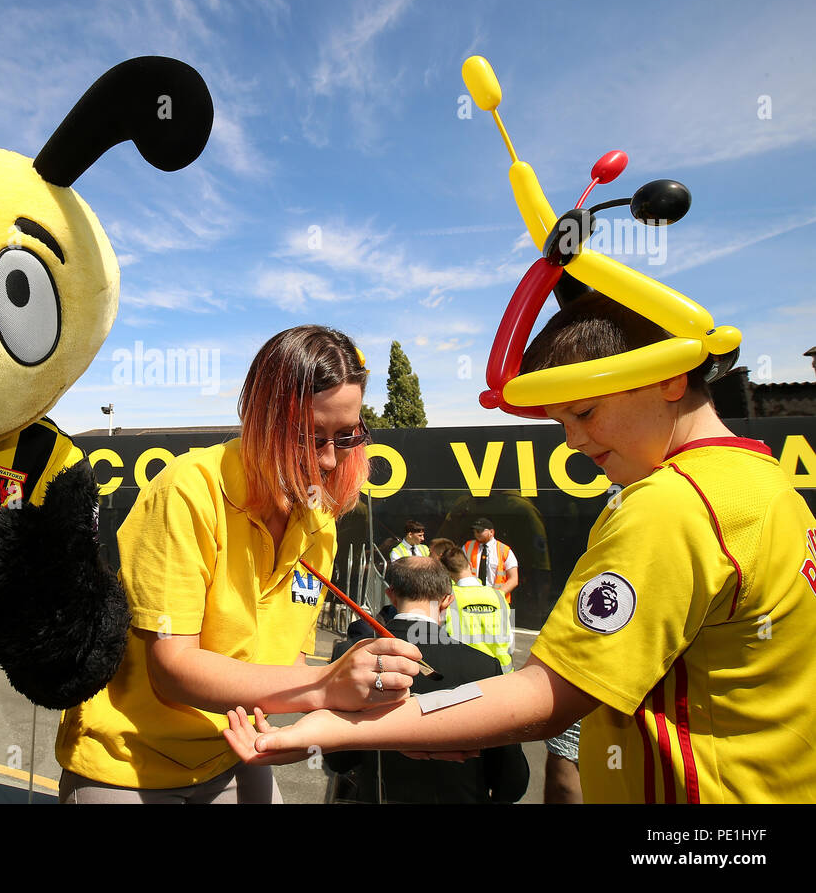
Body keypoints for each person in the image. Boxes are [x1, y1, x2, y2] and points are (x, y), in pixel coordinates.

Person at [223, 293, 816, 803]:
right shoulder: (761, 484)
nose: (575, 440)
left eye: (584, 411)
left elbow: (547, 696)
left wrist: (336, 729)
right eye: (561, 420)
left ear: (670, 376)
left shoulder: (672, 503)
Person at [55, 325, 423, 803]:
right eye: (312, 436)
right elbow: (173, 668)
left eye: (346, 435)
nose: (331, 461)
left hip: (233, 752)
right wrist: (327, 686)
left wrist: (325, 723)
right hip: (130, 761)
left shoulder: (318, 522)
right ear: (261, 418)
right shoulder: (187, 491)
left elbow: (289, 655)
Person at [325, 556, 528, 804]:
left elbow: (338, 759)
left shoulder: (352, 657)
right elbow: (512, 780)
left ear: (390, 595)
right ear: (447, 600)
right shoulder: (484, 666)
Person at [439, 546, 513, 673]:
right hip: (501, 673)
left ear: (447, 573)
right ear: (470, 564)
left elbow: (441, 637)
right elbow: (509, 639)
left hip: (465, 673)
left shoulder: (448, 599)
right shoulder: (499, 596)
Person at [464, 518, 518, 602]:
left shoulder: (504, 550)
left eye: (479, 531)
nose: (476, 534)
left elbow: (514, 579)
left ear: (491, 532)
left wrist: (497, 596)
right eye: (475, 531)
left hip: (499, 601)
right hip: (473, 600)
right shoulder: (467, 547)